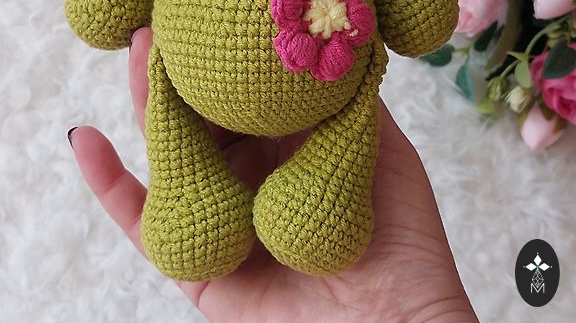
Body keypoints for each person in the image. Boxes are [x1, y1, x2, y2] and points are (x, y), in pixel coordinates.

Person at [68, 27, 478, 322]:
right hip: (190, 77)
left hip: (328, 74)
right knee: (170, 114)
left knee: (349, 128)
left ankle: (322, 194)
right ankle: (185, 187)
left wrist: (408, 313)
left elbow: (424, 17)